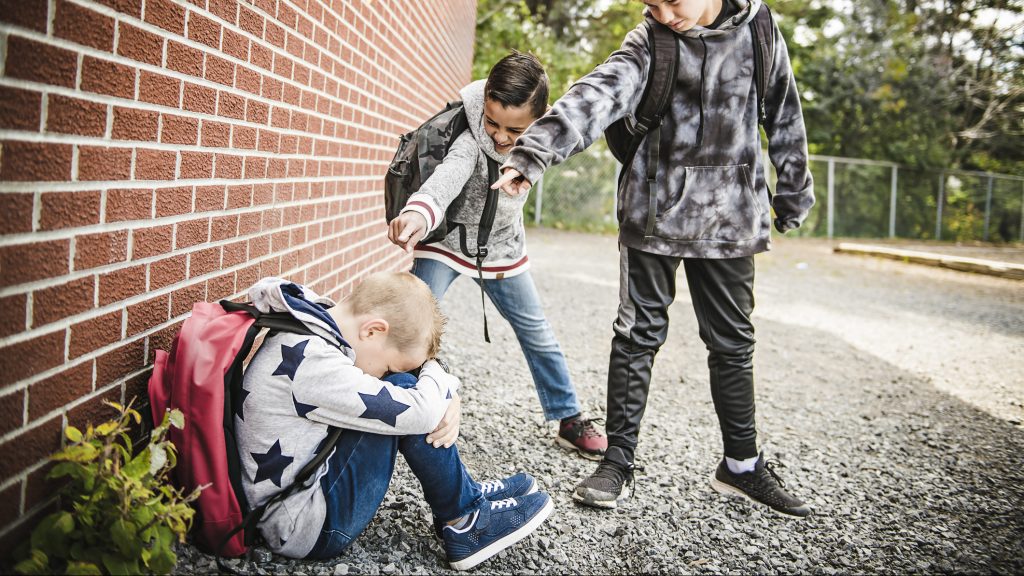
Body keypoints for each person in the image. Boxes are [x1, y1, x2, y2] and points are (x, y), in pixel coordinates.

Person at [492, 0, 815, 517]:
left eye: (672, 0)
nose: (663, 12)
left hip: (732, 216)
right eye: (652, 3)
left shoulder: (758, 28)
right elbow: (595, 95)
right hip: (653, 212)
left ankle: (742, 464)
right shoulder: (653, 41)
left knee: (733, 341)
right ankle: (617, 460)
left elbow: (783, 110)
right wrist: (532, 156)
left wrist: (794, 190)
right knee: (637, 334)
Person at [235, 273, 553, 570]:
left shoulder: (313, 324)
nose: (383, 371)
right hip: (304, 526)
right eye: (386, 364)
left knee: (406, 389)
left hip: (298, 497)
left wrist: (444, 390)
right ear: (373, 330)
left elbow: (420, 399)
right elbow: (420, 411)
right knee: (403, 390)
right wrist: (441, 383)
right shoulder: (315, 363)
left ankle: (465, 495)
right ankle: (465, 519)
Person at [387, 51, 607, 461]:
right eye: (493, 122)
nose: (501, 137)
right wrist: (418, 211)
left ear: (539, 122)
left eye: (515, 129)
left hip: (503, 249)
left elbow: (577, 133)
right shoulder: (471, 139)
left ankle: (568, 416)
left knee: (537, 332)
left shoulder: (542, 144)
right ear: (484, 103)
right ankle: (394, 407)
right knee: (412, 323)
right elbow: (445, 179)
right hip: (446, 243)